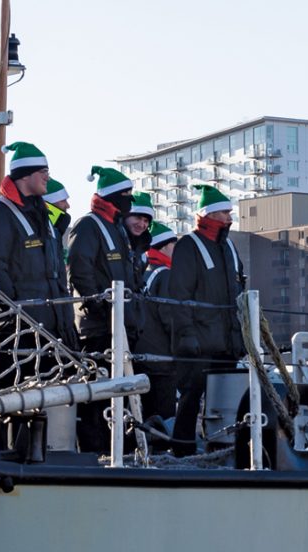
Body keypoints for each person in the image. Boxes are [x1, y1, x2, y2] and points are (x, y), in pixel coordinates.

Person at [0, 141, 78, 463]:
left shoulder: (43, 217)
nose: (48, 176)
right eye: (43, 171)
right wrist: (16, 312)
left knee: (41, 398)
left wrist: (66, 325)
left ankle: (33, 458)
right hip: (15, 329)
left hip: (50, 327)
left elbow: (57, 275)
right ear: (25, 175)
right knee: (6, 397)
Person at [67, 165, 146, 454]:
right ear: (113, 196)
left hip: (122, 326)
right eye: (126, 194)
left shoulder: (116, 229)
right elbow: (80, 271)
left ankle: (119, 450)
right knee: (97, 394)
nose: (130, 199)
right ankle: (93, 451)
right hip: (99, 328)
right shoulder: (88, 225)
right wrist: (98, 306)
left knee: (120, 393)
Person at [166, 184, 247, 457]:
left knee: (226, 399)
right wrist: (187, 335)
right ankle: (183, 451)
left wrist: (241, 335)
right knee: (190, 397)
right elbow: (180, 294)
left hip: (227, 340)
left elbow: (240, 291)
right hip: (199, 342)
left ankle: (221, 448)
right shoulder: (189, 245)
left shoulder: (230, 248)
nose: (229, 217)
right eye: (224, 212)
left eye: (229, 212)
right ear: (209, 214)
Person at [133, 221, 178, 446]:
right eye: (173, 245)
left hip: (141, 355)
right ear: (162, 247)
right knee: (163, 416)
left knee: (145, 414)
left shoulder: (144, 275)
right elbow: (171, 319)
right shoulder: (166, 276)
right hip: (162, 360)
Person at [125, 192, 155, 280]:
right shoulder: (115, 241)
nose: (142, 225)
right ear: (126, 217)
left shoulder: (142, 252)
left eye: (146, 221)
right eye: (138, 218)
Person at [44, 178, 73, 263]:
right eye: (63, 201)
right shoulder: (39, 229)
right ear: (49, 202)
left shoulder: (55, 230)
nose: (68, 205)